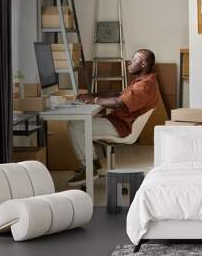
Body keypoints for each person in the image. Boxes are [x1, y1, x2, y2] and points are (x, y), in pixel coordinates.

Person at [66, 49, 159, 186]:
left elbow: (118, 102)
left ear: (143, 63)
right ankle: (93, 164)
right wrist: (92, 95)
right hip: (118, 121)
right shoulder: (144, 81)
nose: (129, 62)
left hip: (121, 127)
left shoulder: (144, 86)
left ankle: (90, 167)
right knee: (80, 122)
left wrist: (95, 100)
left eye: (134, 60)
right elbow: (119, 94)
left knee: (75, 125)